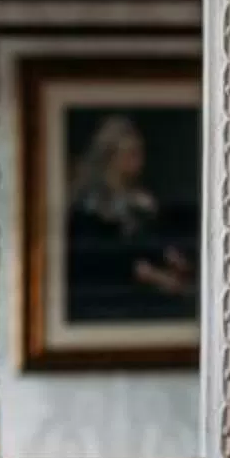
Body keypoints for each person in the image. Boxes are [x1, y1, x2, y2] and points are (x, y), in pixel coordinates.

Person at [64, 110, 194, 323]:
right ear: (113, 157)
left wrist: (169, 255)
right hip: (108, 300)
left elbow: (151, 244)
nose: (140, 161)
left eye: (140, 153)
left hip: (149, 296)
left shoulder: (142, 200)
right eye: (133, 154)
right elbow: (98, 258)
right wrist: (151, 274)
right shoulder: (89, 204)